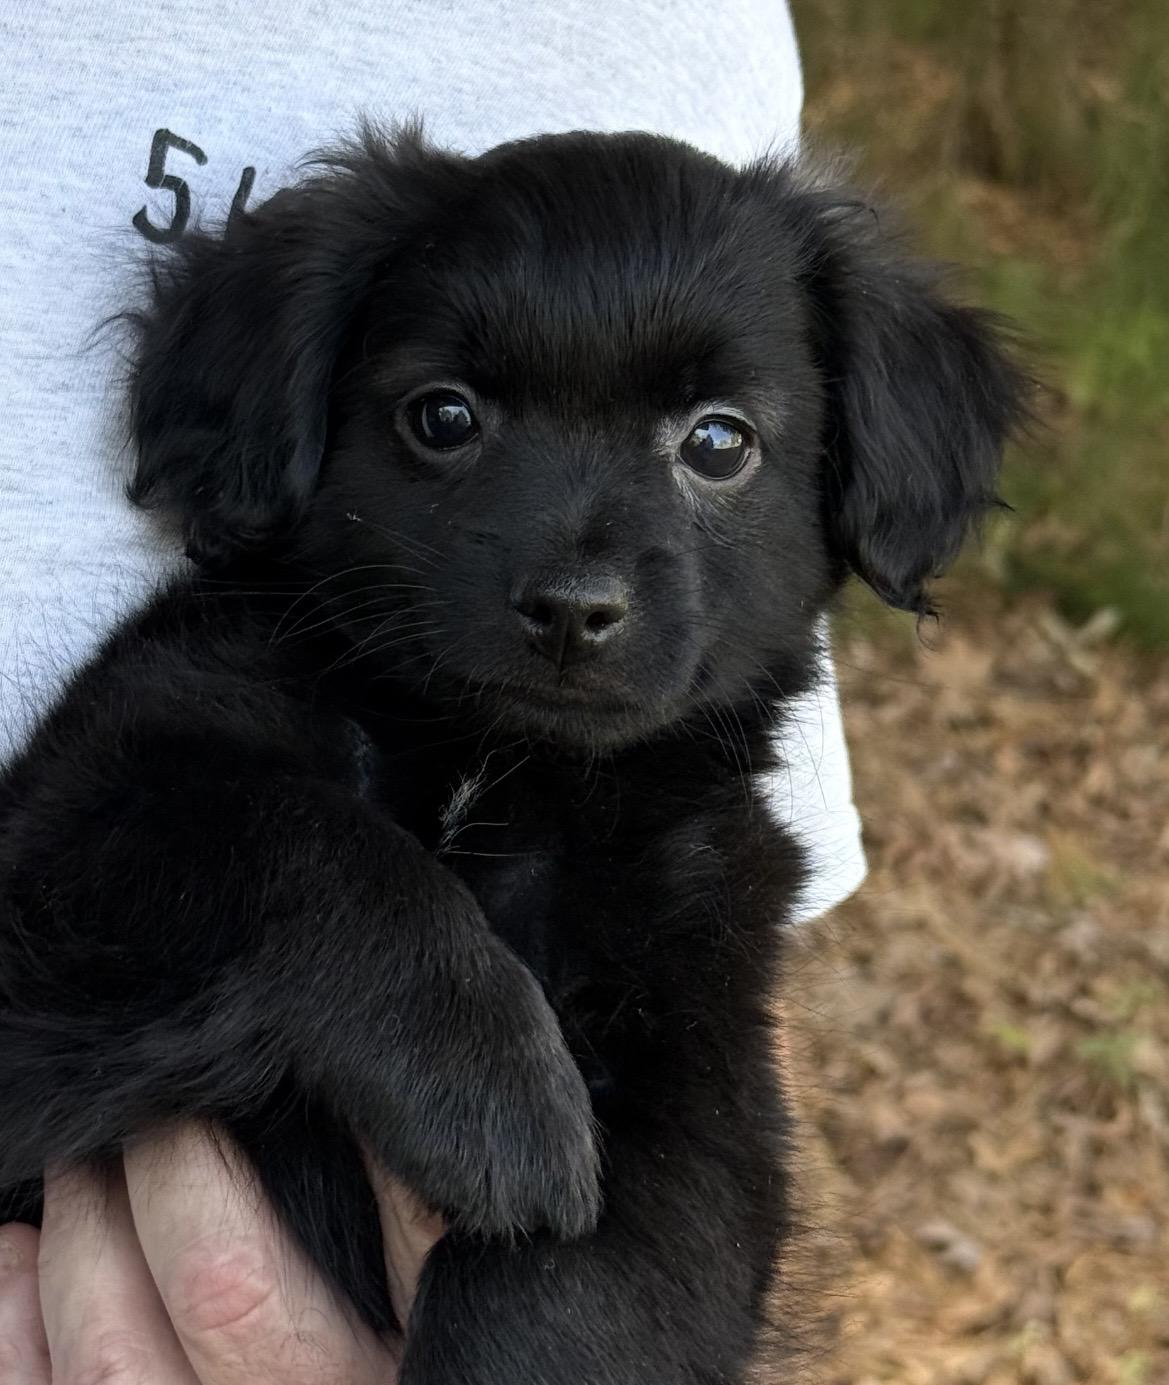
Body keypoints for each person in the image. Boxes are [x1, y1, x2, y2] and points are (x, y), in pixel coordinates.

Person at [0, 2, 866, 1377]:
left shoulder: (680, 34)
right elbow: (65, 867)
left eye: (712, 442)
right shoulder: (231, 683)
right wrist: (345, 928)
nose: (580, 577)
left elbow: (694, 1188)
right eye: (447, 420)